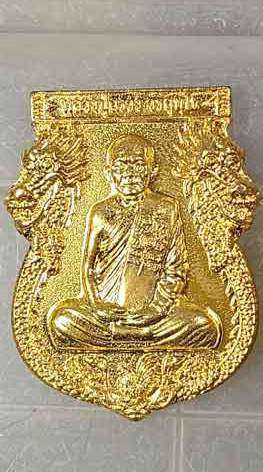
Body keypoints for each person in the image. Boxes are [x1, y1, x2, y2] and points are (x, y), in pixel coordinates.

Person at [48, 134, 222, 350]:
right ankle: (139, 337)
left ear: (152, 171)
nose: (129, 173)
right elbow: (88, 269)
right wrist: (97, 305)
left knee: (204, 325)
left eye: (138, 165)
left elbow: (176, 269)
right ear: (109, 173)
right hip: (108, 315)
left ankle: (129, 336)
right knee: (62, 321)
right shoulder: (100, 212)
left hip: (155, 315)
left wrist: (157, 309)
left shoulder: (166, 208)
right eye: (121, 166)